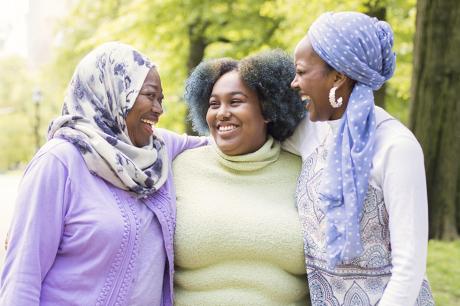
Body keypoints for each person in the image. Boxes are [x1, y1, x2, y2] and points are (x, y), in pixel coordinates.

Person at [0, 42, 207, 305]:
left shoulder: (157, 151)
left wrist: (275, 131)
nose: (159, 109)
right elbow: (22, 277)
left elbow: (224, 143)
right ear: (114, 93)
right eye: (150, 95)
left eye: (161, 100)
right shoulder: (59, 161)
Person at [283, 11, 435, 305]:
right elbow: (249, 138)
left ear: (338, 77)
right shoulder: (310, 133)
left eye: (301, 72)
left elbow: (409, 268)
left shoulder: (397, 147)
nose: (294, 83)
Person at [172, 50, 310, 305]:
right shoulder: (181, 168)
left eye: (235, 102)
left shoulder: (304, 173)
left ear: (268, 110)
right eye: (214, 104)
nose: (222, 113)